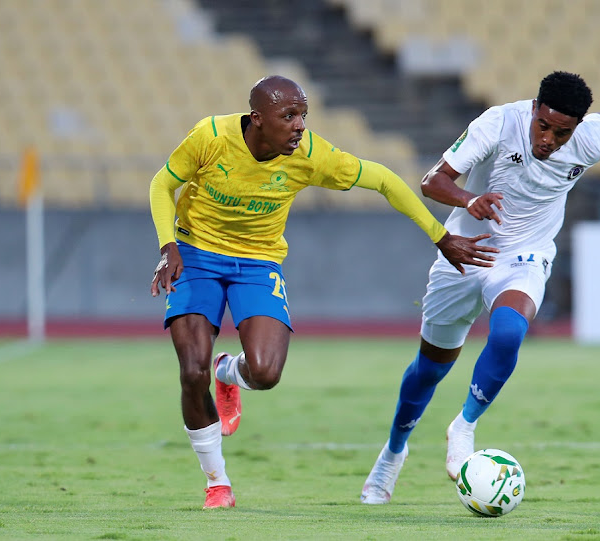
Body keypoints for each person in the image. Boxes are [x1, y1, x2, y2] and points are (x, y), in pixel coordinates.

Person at [149, 75, 498, 509]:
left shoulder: (311, 155)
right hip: (196, 253)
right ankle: (217, 482)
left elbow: (384, 180)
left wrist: (439, 235)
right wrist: (168, 248)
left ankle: (228, 372)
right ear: (257, 120)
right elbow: (162, 184)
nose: (299, 126)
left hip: (258, 262)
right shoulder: (211, 136)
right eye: (288, 116)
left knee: (266, 373)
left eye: (303, 116)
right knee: (190, 371)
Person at [361, 71, 600, 504]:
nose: (548, 139)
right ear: (533, 109)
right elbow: (432, 181)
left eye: (561, 132)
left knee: (509, 333)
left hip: (525, 256)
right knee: (430, 369)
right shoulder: (497, 123)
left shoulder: (591, 134)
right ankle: (393, 453)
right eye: (543, 125)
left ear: (576, 128)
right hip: (466, 252)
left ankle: (465, 425)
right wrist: (470, 200)